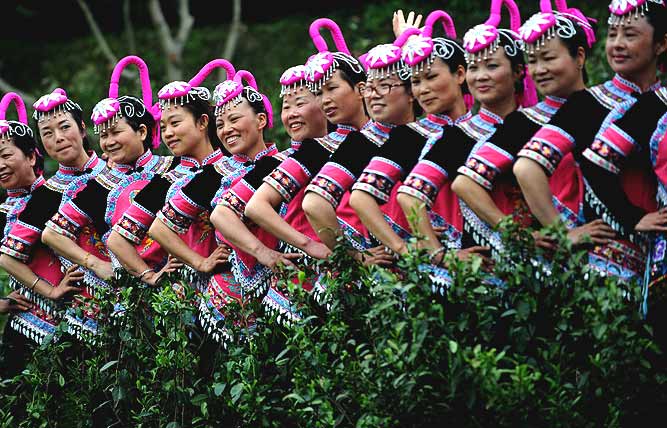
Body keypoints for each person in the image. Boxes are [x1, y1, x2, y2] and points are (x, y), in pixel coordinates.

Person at [513, 0, 667, 284]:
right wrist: (563, 234)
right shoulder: (589, 104)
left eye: (630, 35)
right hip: (606, 267)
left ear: (660, 44)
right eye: (612, 35)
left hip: (656, 258)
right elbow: (527, 167)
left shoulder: (661, 101)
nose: (617, 44)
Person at [395, 0, 536, 291]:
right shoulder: (458, 136)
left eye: (492, 65)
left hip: (545, 264)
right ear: (464, 75)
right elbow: (410, 197)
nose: (481, 76)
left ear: (520, 70)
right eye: (474, 67)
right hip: (486, 276)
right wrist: (439, 254)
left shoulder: (537, 123)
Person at [42, 55, 176, 338]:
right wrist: (96, 265)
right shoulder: (99, 185)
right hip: (132, 290)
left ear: (142, 132)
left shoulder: (172, 167)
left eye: (116, 132)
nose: (108, 142)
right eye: (103, 135)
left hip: (181, 282)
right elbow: (52, 234)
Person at [451, 1, 597, 257]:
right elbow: (465, 183)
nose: (540, 70)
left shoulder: (607, 106)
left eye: (548, 58)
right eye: (533, 61)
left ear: (580, 57)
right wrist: (533, 233)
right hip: (559, 258)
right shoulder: (524, 122)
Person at [149, 70, 280, 343]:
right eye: (221, 124)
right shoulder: (214, 173)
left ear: (261, 120)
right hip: (235, 292)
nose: (227, 129)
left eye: (234, 119)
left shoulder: (286, 161)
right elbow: (160, 228)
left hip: (289, 278)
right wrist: (200, 262)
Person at [348, 10, 472, 266]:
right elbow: (360, 198)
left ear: (460, 75)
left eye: (431, 77)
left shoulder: (480, 125)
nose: (423, 88)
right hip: (443, 270)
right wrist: (412, 250)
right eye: (416, 80)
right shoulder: (412, 136)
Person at [106, 59, 233, 289]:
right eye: (163, 127)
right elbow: (117, 240)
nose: (169, 133)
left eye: (175, 123)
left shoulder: (233, 164)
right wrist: (153, 275)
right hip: (190, 298)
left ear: (203, 122)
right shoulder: (166, 181)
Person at [0, 89, 106, 345]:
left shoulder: (115, 172)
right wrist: (52, 291)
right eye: (48, 133)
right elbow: (9, 257)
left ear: (82, 129)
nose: (58, 138)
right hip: (79, 320)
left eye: (64, 127)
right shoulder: (46, 195)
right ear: (42, 145)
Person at [0, 93, 47, 375]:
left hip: (77, 322)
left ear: (31, 156)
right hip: (22, 329)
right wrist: (4, 304)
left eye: (6, 155)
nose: (0, 165)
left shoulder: (61, 195)